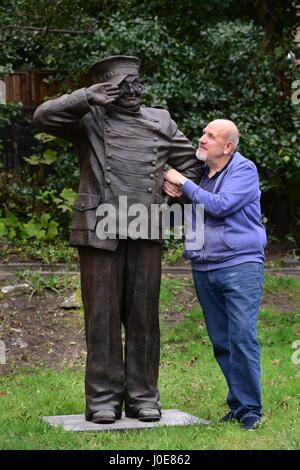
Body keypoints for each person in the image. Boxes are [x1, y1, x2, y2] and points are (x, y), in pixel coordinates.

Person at [33, 56, 201, 424]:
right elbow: (43, 117)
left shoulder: (161, 120)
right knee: (102, 316)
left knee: (143, 317)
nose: (133, 90)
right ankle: (102, 399)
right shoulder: (89, 118)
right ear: (106, 88)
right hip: (99, 226)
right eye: (124, 85)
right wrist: (86, 97)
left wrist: (168, 188)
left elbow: (191, 167)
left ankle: (143, 397)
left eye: (136, 83)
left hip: (146, 223)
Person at [164, 119, 267, 431]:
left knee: (242, 338)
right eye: (204, 133)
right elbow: (193, 208)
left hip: (240, 266)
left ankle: (251, 411)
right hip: (204, 268)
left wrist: (182, 182)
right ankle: (237, 405)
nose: (203, 138)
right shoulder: (202, 175)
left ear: (228, 146)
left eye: (211, 135)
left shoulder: (243, 170)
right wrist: (177, 191)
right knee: (222, 342)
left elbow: (221, 206)